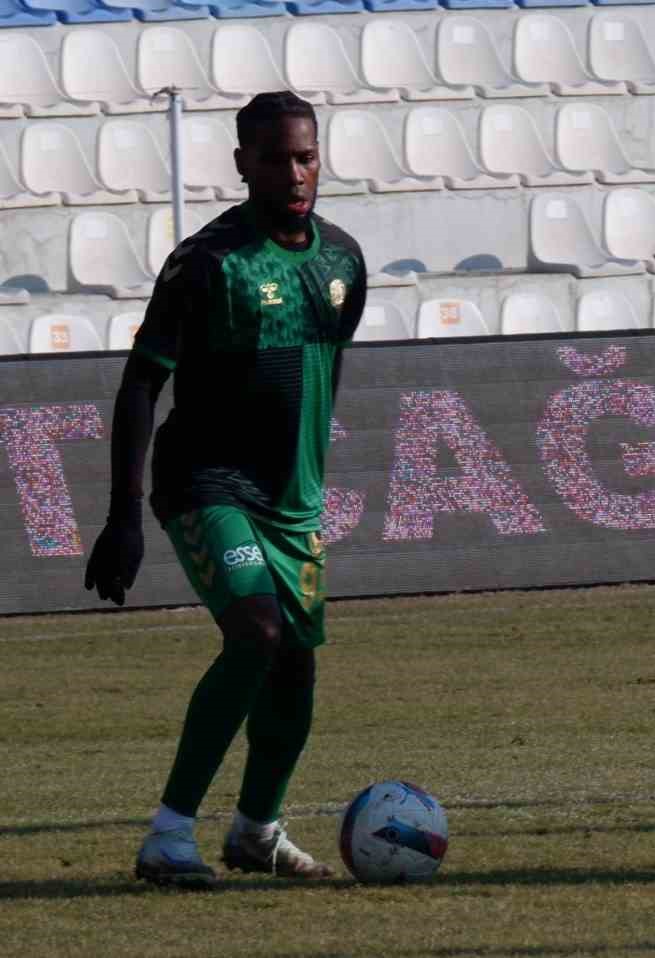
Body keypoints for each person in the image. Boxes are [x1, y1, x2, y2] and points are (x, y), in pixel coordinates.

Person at [84, 91, 366, 888]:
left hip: (292, 501)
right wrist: (123, 517)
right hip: (205, 483)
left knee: (296, 668)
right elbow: (141, 386)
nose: (295, 171)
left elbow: (321, 377)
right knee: (255, 630)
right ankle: (169, 836)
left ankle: (257, 833)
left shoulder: (343, 262)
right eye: (275, 157)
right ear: (242, 164)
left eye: (306, 154)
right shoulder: (207, 263)